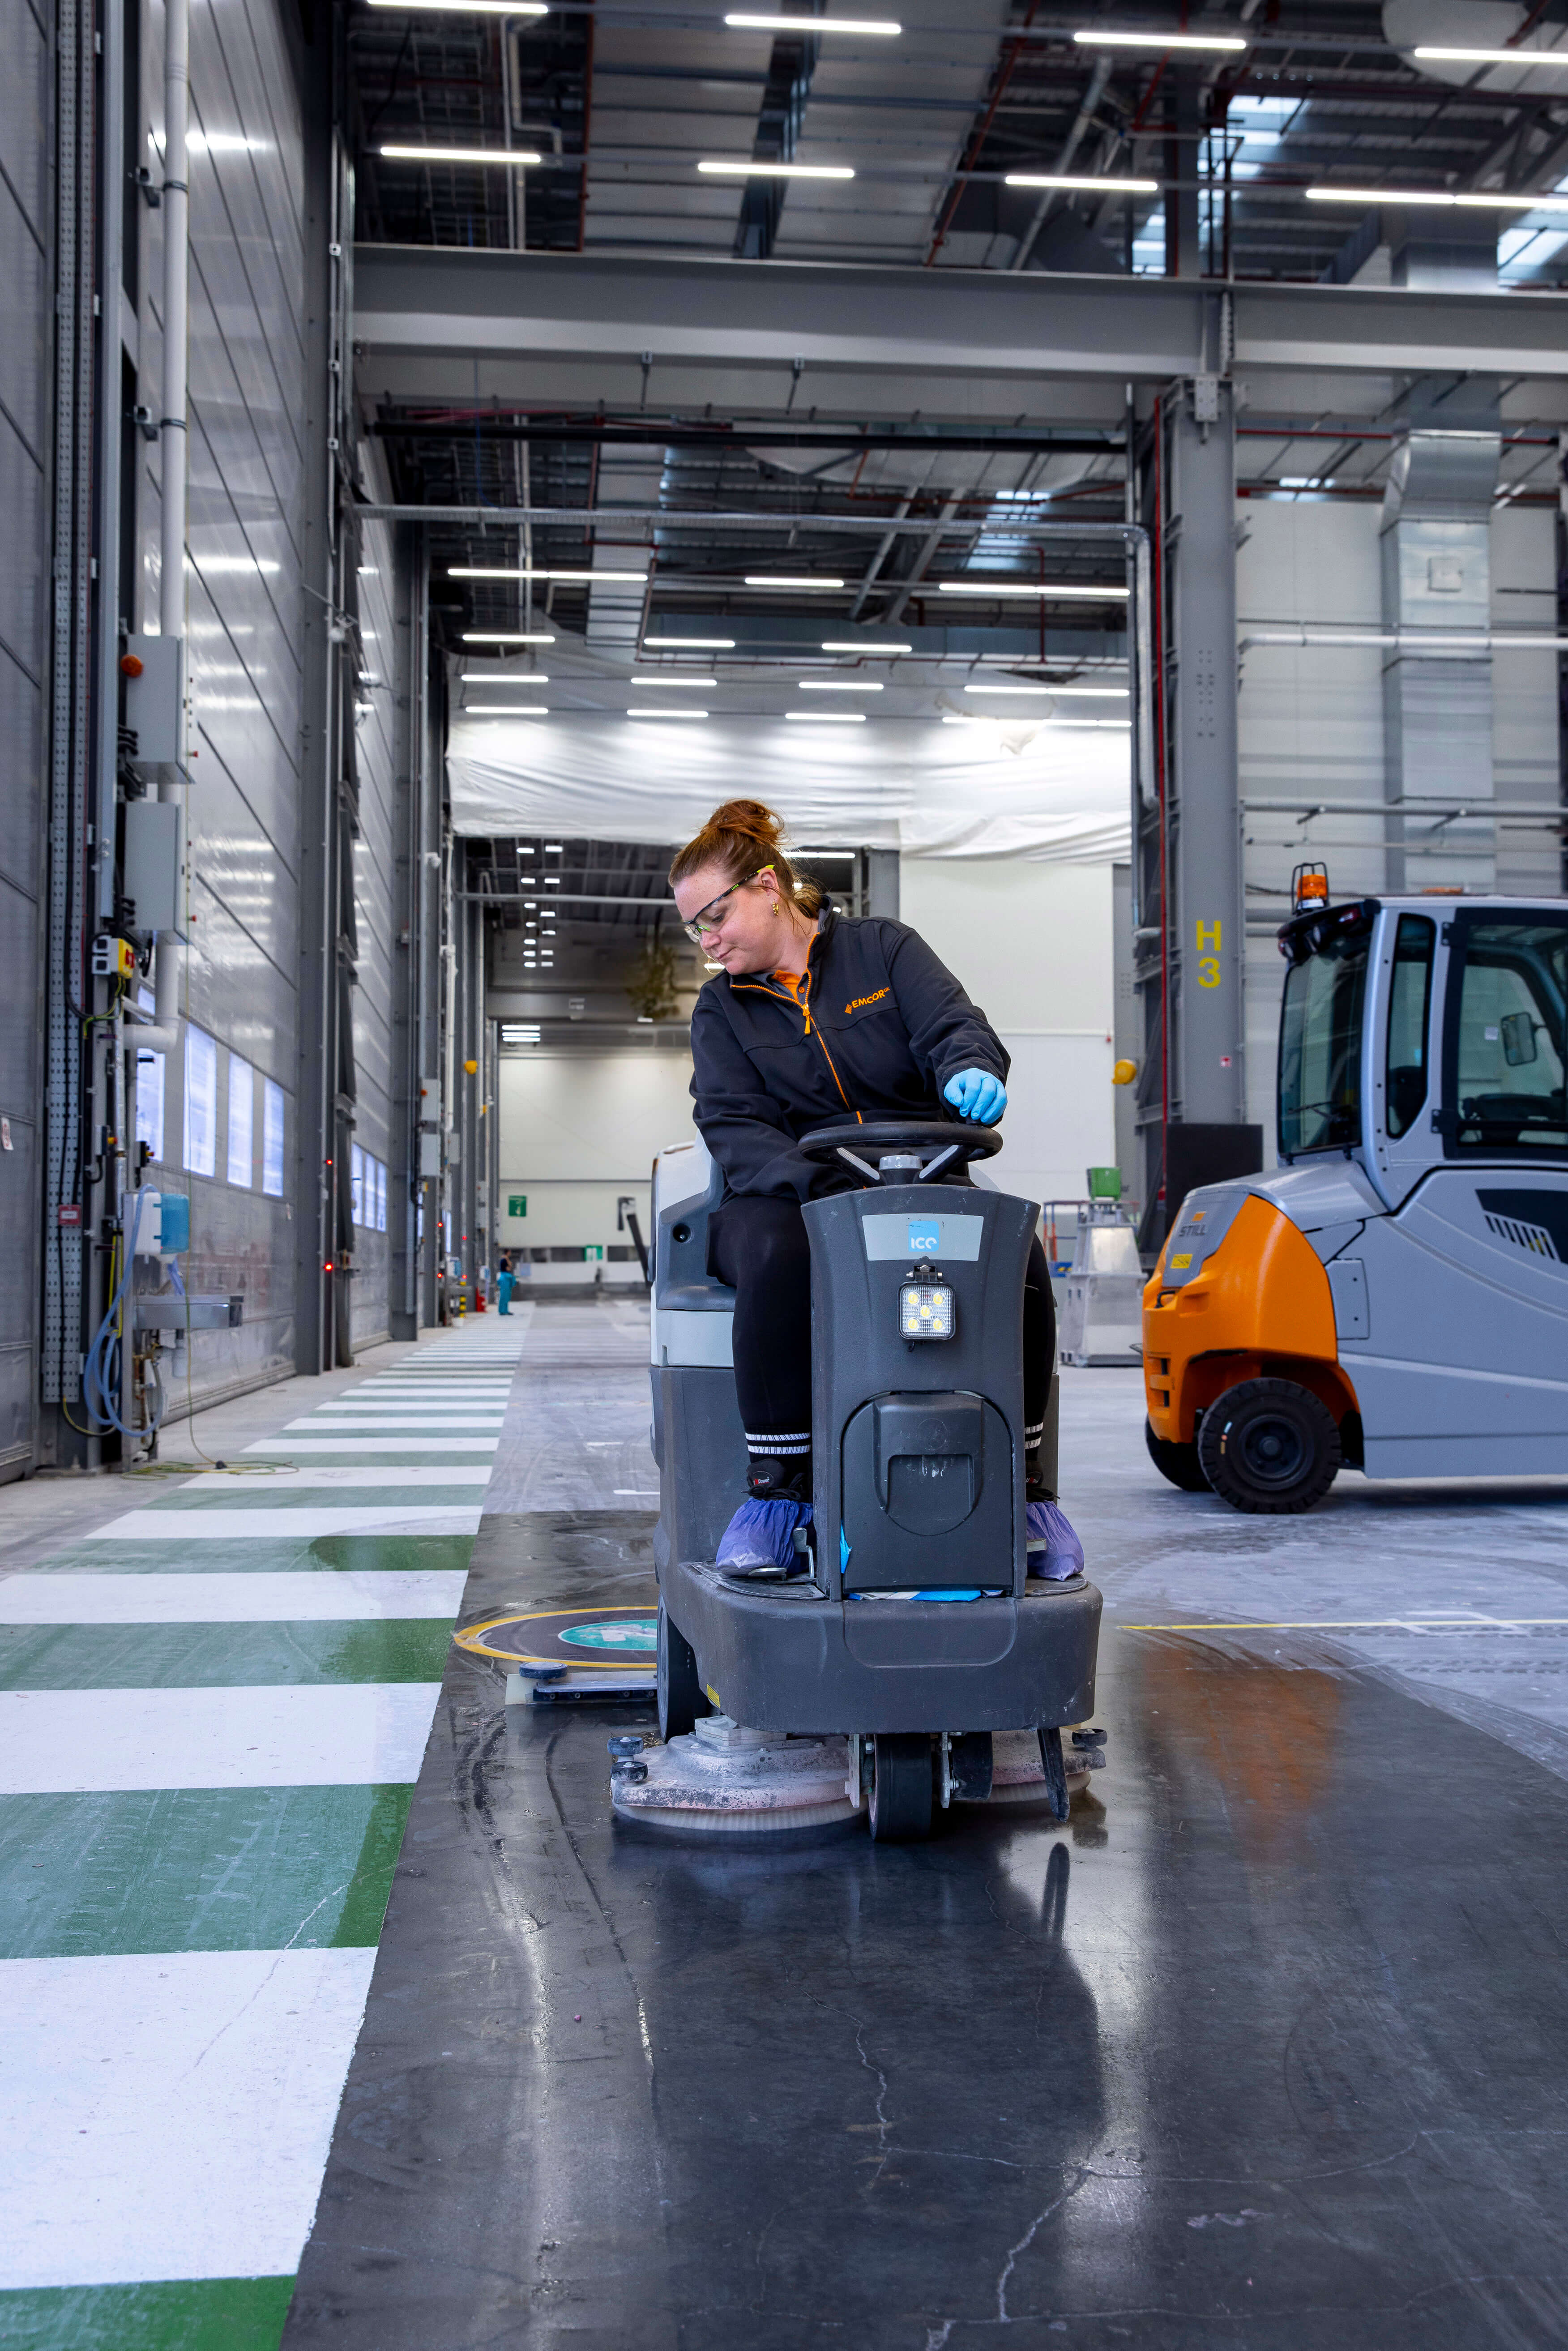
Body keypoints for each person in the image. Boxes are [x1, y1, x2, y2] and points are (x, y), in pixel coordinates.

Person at [670, 798, 1082, 1581]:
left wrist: (969, 1068)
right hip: (790, 1195)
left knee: (1016, 1257)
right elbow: (733, 1123)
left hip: (921, 1178)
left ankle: (1025, 1489)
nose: (706, 942)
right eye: (694, 929)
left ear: (766, 886)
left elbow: (953, 1025)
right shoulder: (722, 1010)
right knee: (772, 1250)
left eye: (713, 917)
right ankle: (777, 1489)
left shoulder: (882, 952)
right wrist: (826, 1184)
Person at [496, 1252, 514, 1316]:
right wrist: (507, 1259)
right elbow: (510, 1266)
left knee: (506, 1297)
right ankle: (503, 1310)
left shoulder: (505, 1275)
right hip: (505, 1281)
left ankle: (505, 1310)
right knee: (504, 1296)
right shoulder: (504, 1261)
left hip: (506, 1280)